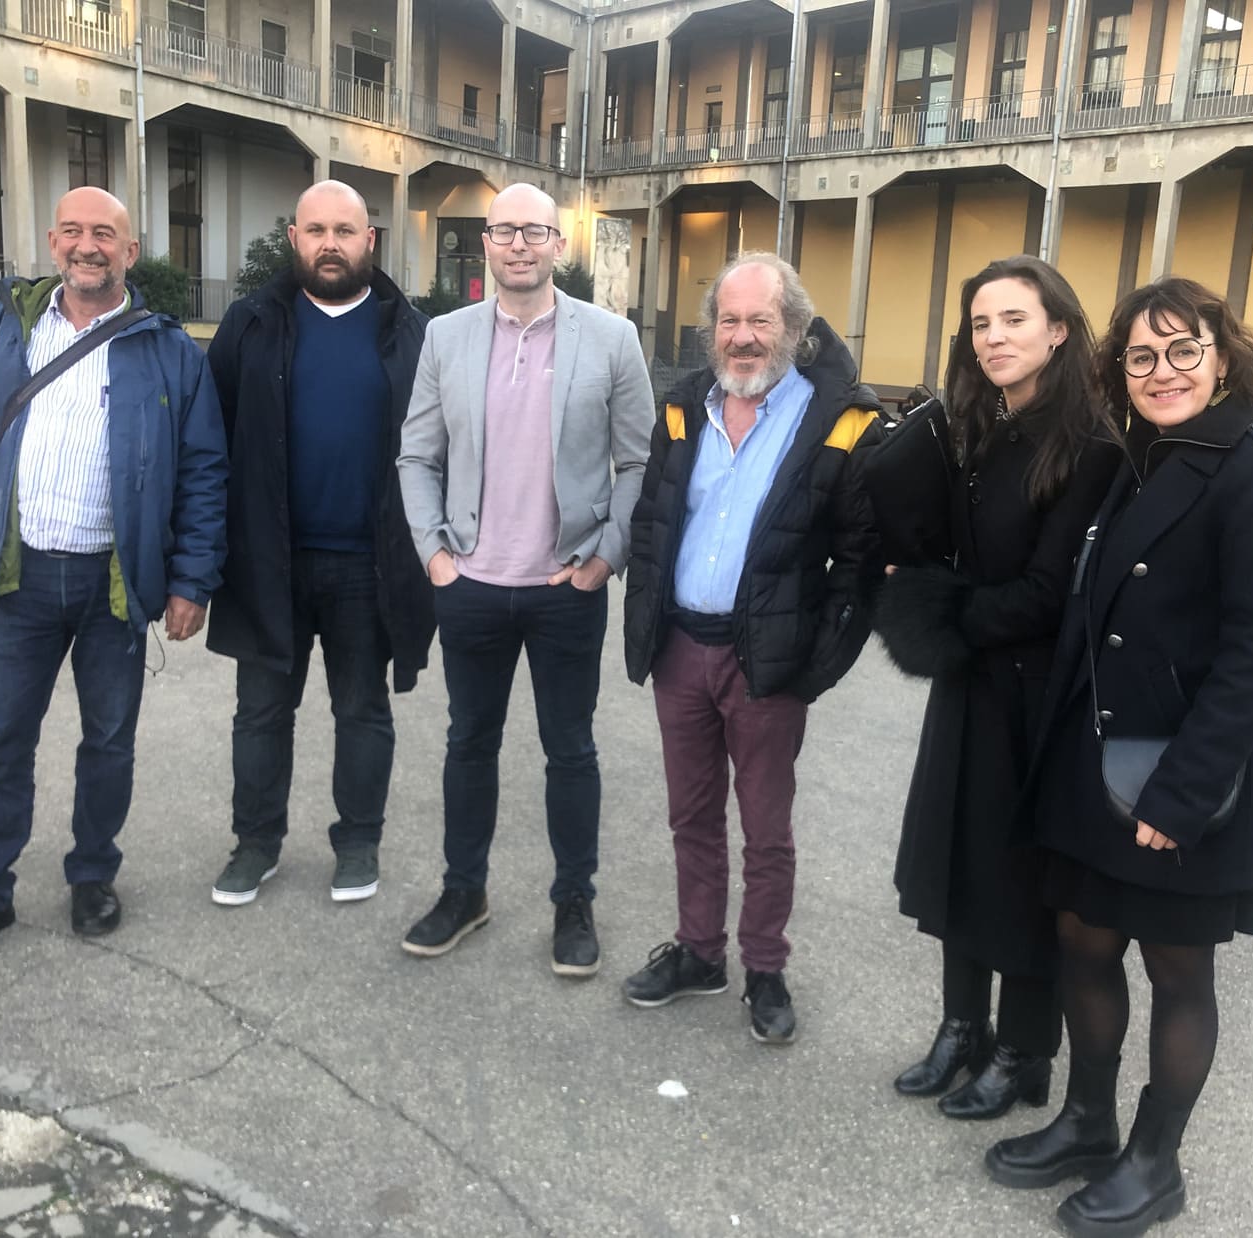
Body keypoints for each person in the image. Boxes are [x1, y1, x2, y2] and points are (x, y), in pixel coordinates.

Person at [985, 278, 1253, 1237]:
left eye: (1183, 350)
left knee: (1179, 972)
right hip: (1098, 766)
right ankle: (1089, 1122)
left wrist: (1182, 794)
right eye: (1140, 355)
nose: (1162, 370)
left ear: (1224, 356)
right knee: (1085, 942)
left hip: (1183, 782)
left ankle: (1153, 1163)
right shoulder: (1139, 458)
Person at [0, 187, 227, 964]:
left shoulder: (170, 350)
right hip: (20, 577)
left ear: (129, 249)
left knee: (109, 743)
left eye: (106, 235)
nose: (89, 246)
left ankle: (92, 875)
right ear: (53, 243)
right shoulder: (2, 330)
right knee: (0, 742)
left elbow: (203, 469)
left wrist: (192, 580)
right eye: (75, 232)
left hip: (112, 583)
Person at [873, 257, 1121, 1115]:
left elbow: (1051, 595)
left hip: (1038, 695)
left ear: (1058, 330)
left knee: (1021, 876)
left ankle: (1023, 1052)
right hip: (973, 681)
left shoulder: (1087, 443)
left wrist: (941, 614)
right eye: (981, 323)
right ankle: (960, 1028)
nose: (994, 338)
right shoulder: (975, 426)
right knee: (957, 857)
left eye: (1014, 320)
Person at [618, 253, 881, 1045]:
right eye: (728, 322)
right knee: (691, 816)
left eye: (759, 321)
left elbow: (860, 560)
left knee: (767, 828)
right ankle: (700, 952)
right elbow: (654, 524)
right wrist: (645, 623)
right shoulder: (684, 404)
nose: (742, 337)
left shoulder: (835, 418)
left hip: (765, 661)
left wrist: (815, 661)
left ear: (793, 330)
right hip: (681, 651)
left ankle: (765, 965)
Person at [396, 183, 654, 975]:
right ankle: (463, 891)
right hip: (470, 581)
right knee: (468, 744)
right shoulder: (445, 336)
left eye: (534, 232)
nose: (518, 245)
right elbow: (417, 454)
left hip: (563, 587)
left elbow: (641, 458)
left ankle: (573, 902)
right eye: (503, 231)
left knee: (569, 751)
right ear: (485, 244)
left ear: (558, 245)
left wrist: (607, 554)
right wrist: (436, 556)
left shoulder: (611, 340)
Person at [202, 180, 433, 907]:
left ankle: (359, 840)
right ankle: (256, 844)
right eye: (314, 230)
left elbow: (444, 448)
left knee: (362, 709)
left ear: (371, 241)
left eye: (344, 230)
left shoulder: (411, 332)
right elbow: (211, 442)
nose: (329, 243)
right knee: (262, 712)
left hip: (369, 564)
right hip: (267, 559)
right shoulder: (250, 324)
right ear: (293, 239)